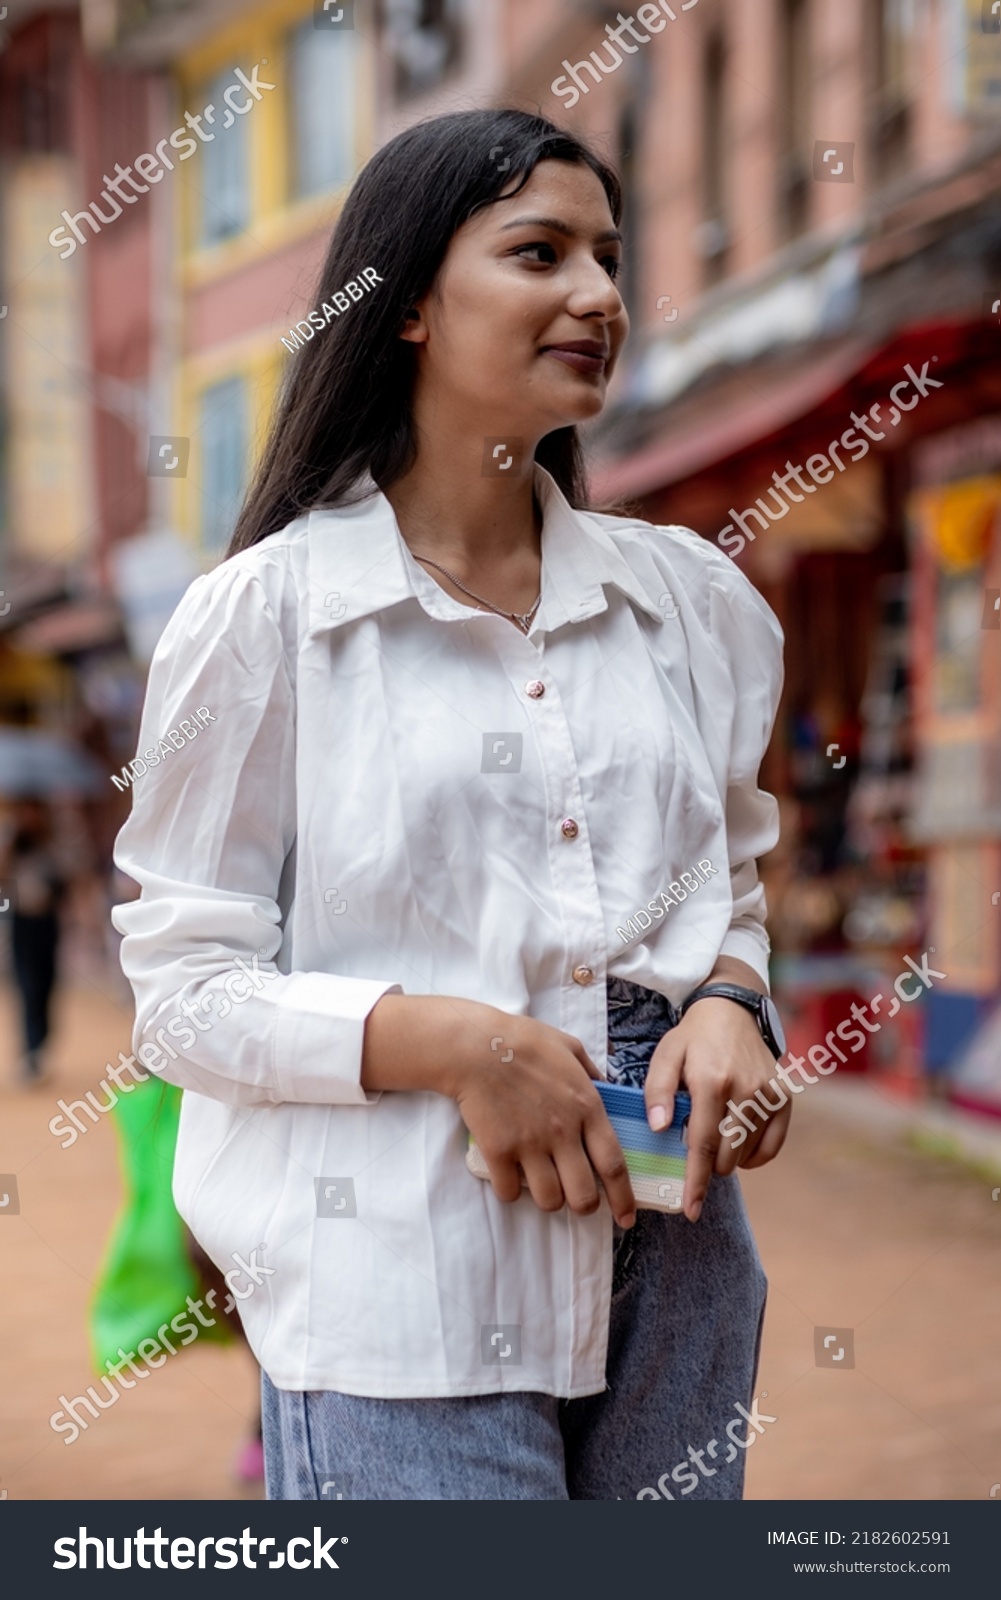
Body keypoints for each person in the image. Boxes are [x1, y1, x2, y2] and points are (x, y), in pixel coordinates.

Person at [112, 108, 790, 1502]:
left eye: (608, 257)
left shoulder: (692, 604)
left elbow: (731, 892)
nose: (599, 296)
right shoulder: (265, 621)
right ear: (408, 301)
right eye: (538, 253)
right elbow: (182, 993)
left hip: (677, 1276)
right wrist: (446, 1044)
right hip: (393, 1296)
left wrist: (731, 1002)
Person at [1, 796, 70, 1083]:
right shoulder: (11, 843)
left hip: (47, 922)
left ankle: (41, 1044)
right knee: (27, 985)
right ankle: (30, 1051)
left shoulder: (53, 842)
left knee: (46, 984)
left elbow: (69, 879)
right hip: (21, 922)